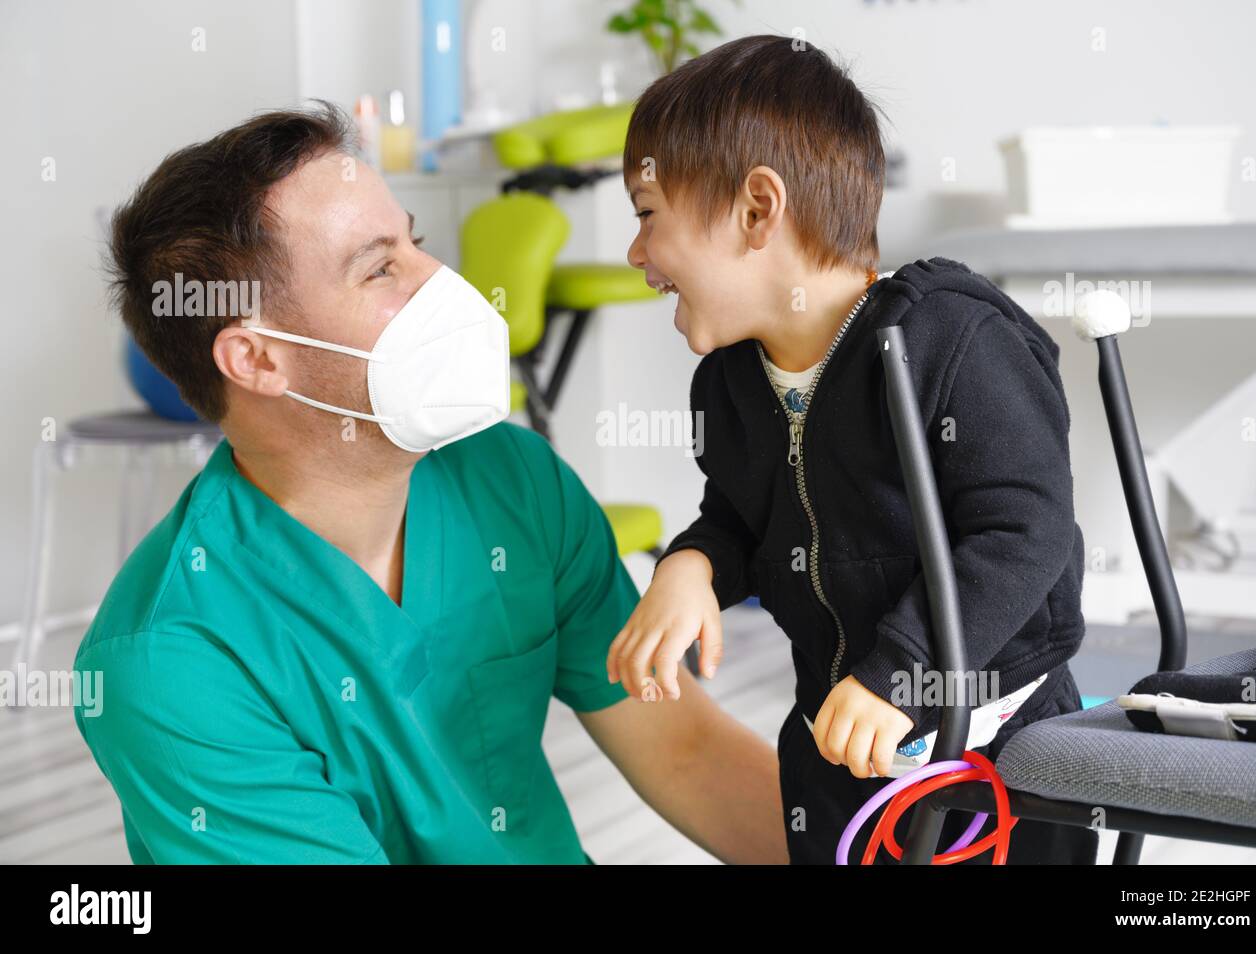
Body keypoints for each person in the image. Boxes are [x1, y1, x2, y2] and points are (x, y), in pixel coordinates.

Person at [73, 103, 786, 864]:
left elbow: (686, 755)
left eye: (416, 244)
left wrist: (861, 849)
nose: (443, 282)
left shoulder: (513, 480)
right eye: (380, 267)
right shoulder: (169, 662)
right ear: (256, 360)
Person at [609, 34, 1099, 865]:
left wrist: (900, 673)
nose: (636, 254)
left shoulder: (953, 340)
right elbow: (738, 520)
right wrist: (693, 564)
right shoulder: (731, 386)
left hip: (1001, 746)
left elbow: (1026, 533)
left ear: (758, 210)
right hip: (835, 743)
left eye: (647, 216)